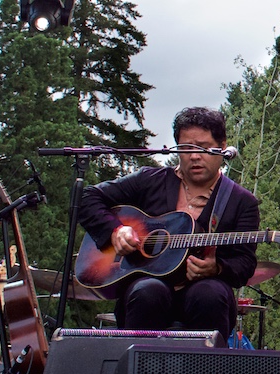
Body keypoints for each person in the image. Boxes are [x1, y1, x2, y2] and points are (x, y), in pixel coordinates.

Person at [77, 107, 260, 347]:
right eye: (186, 148)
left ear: (222, 146)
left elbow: (245, 264)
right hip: (147, 288)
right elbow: (88, 197)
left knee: (209, 295)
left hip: (206, 291)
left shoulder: (241, 201)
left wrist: (217, 268)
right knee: (148, 291)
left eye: (203, 148)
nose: (194, 156)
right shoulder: (149, 181)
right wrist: (115, 231)